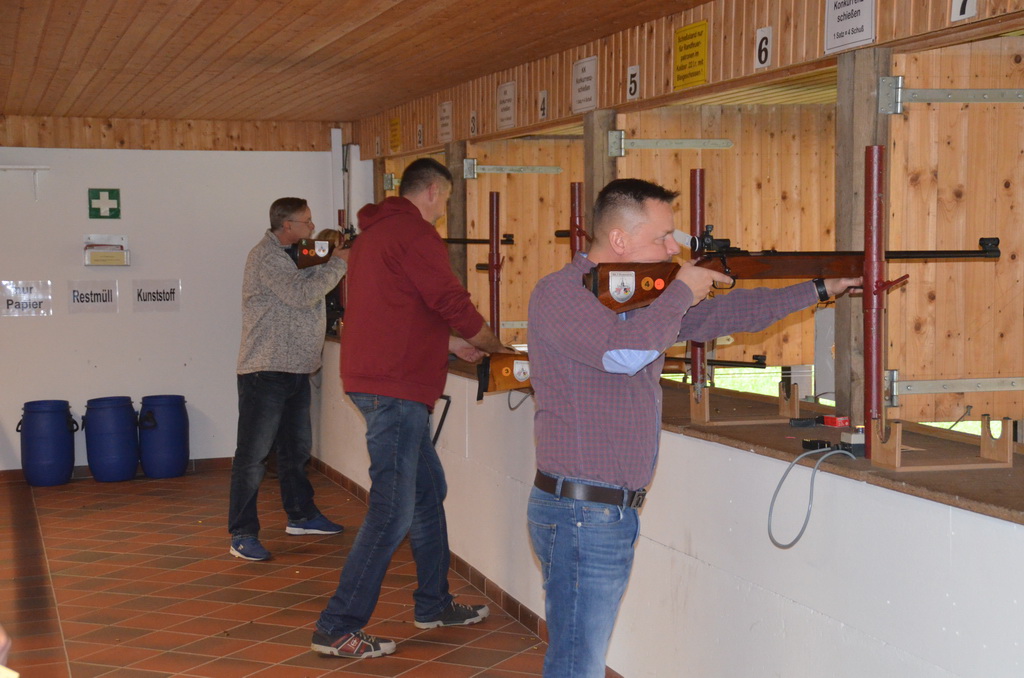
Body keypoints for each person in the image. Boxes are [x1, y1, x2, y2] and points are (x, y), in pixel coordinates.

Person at [526, 178, 861, 677]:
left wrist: (819, 289)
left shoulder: (633, 300)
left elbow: (727, 314)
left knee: (580, 659)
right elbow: (624, 355)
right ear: (619, 240)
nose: (672, 249)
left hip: (600, 512)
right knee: (578, 664)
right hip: (582, 511)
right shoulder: (561, 293)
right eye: (662, 237)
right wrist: (682, 289)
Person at [312, 158, 510, 659]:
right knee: (392, 510)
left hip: (379, 381)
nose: (443, 210)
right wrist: (491, 344)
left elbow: (394, 312)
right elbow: (449, 300)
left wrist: (447, 345)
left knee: (426, 492)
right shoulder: (415, 234)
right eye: (445, 199)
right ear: (432, 191)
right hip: (396, 391)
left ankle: (434, 603)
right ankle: (337, 626)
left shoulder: (373, 236)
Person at [228, 197, 349, 561]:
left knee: (295, 451)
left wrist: (332, 255)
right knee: (253, 457)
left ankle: (301, 516)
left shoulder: (296, 253)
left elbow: (309, 278)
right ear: (286, 226)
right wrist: (339, 263)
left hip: (296, 368)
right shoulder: (267, 257)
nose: (312, 227)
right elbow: (302, 294)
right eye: (306, 222)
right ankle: (242, 534)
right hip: (265, 370)